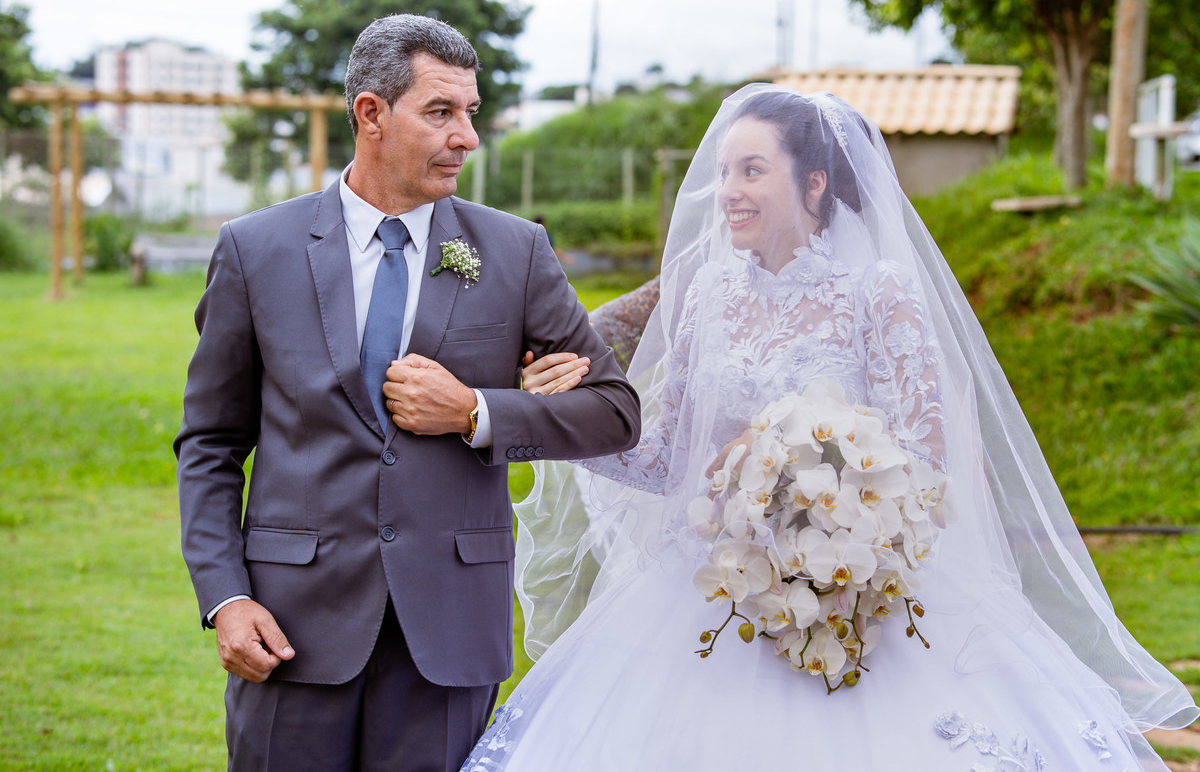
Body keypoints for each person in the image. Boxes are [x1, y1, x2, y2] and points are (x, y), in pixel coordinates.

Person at [463, 85, 1198, 770]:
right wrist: (567, 414)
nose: (729, 192)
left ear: (814, 183)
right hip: (717, 589)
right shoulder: (708, 295)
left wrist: (813, 499)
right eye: (724, 173)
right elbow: (663, 460)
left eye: (752, 170)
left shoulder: (878, 292)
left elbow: (924, 463)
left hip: (857, 590)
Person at [174, 14, 641, 772]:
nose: (468, 137)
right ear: (371, 114)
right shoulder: (256, 250)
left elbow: (615, 413)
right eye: (441, 112)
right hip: (292, 628)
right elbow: (210, 444)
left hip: (450, 634)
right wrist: (226, 597)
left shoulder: (516, 251)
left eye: (471, 112)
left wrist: (476, 412)